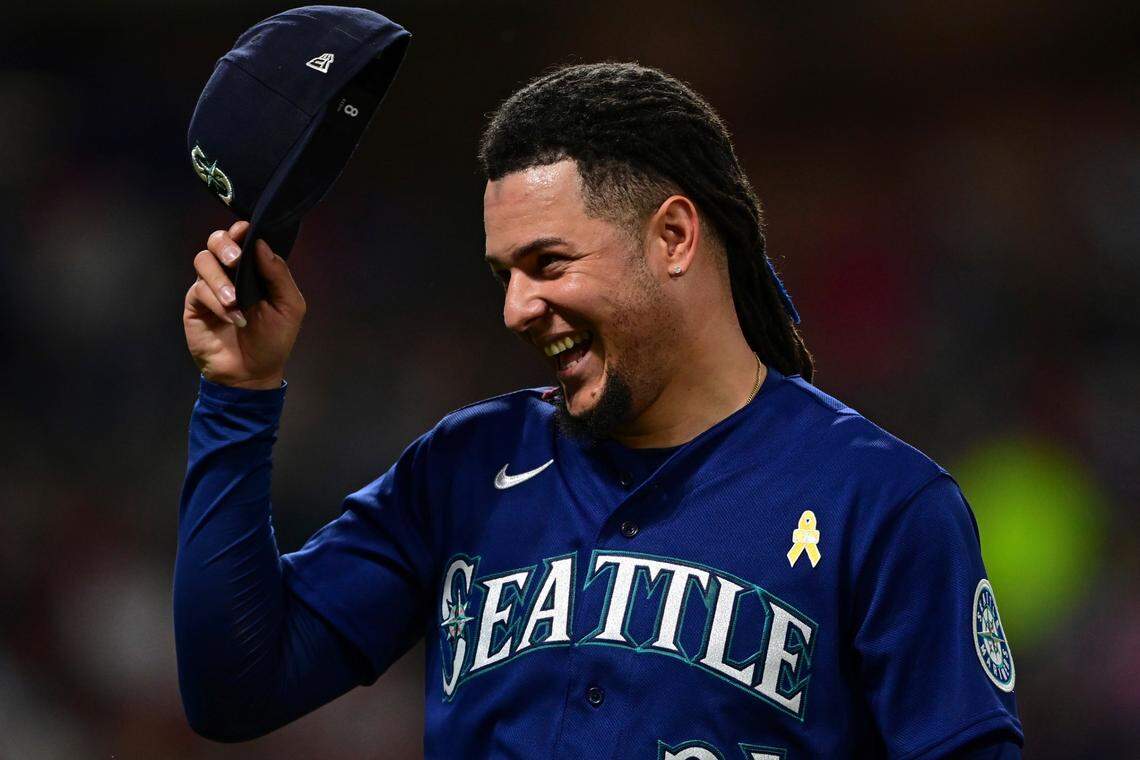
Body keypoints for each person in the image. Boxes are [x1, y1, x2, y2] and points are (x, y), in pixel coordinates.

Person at [176, 62, 1023, 758]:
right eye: (503, 273)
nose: (514, 308)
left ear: (675, 238)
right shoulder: (464, 469)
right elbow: (235, 687)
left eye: (548, 262)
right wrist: (238, 397)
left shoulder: (878, 503)